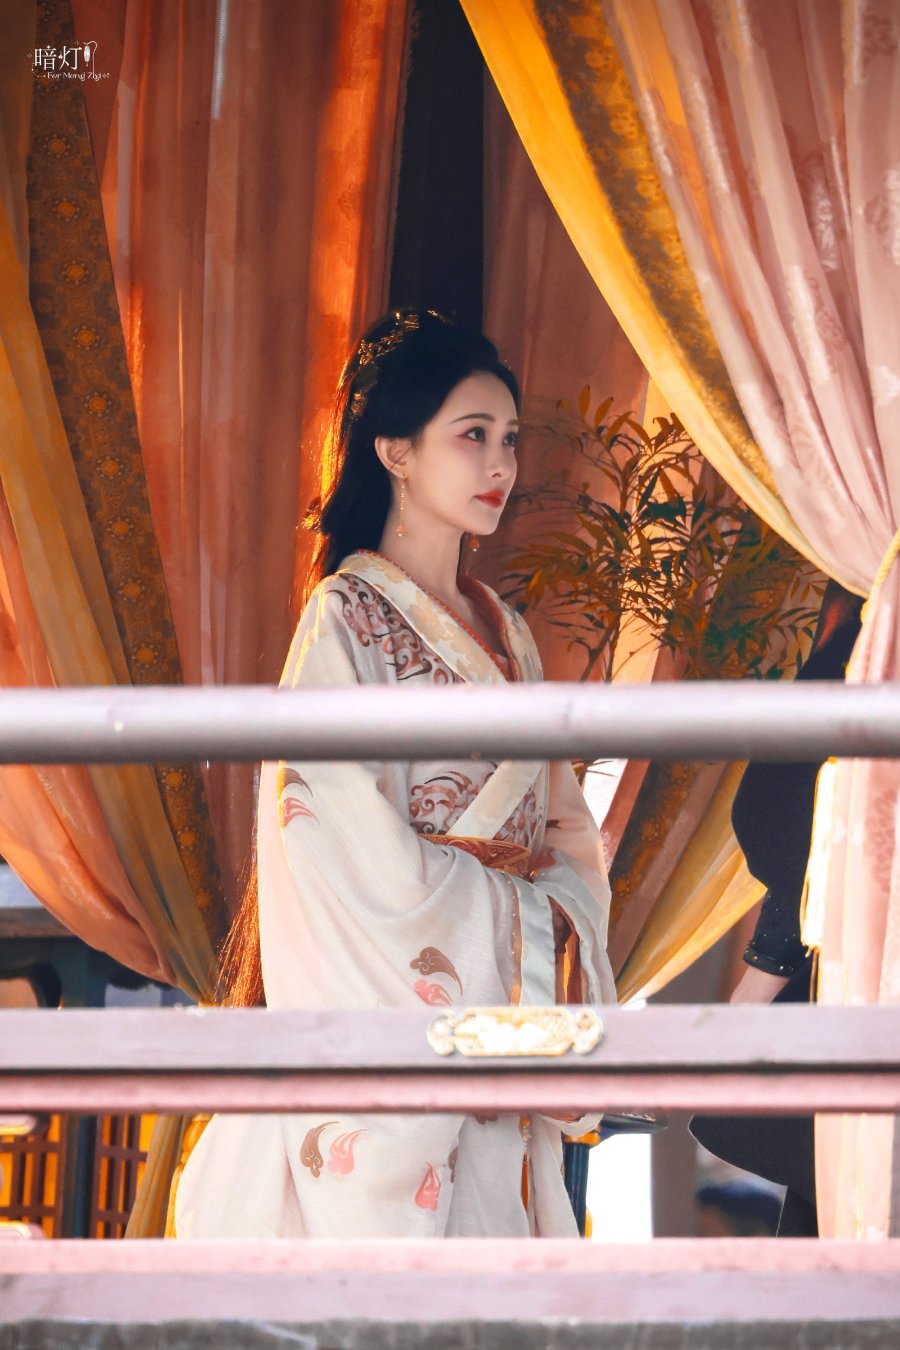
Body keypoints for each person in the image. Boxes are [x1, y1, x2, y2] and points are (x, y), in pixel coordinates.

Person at [174, 308, 616, 1239]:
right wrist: (519, 929)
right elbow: (335, 841)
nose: (501, 464)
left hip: (495, 1045)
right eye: (471, 435)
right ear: (395, 451)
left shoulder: (509, 630)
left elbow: (566, 829)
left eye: (509, 439)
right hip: (401, 1014)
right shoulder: (344, 618)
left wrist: (556, 917)